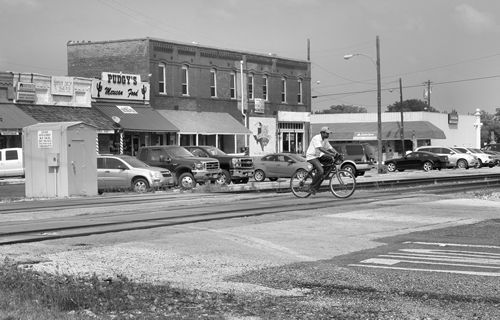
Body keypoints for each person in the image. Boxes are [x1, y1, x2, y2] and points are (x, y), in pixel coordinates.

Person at [305, 126, 339, 194]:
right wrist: (331, 154)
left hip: (318, 156)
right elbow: (321, 148)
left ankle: (322, 177)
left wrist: (337, 153)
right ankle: (311, 186)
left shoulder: (325, 140)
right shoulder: (316, 138)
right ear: (322, 133)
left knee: (330, 162)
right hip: (311, 156)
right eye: (327, 133)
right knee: (321, 171)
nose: (328, 135)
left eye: (328, 133)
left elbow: (330, 147)